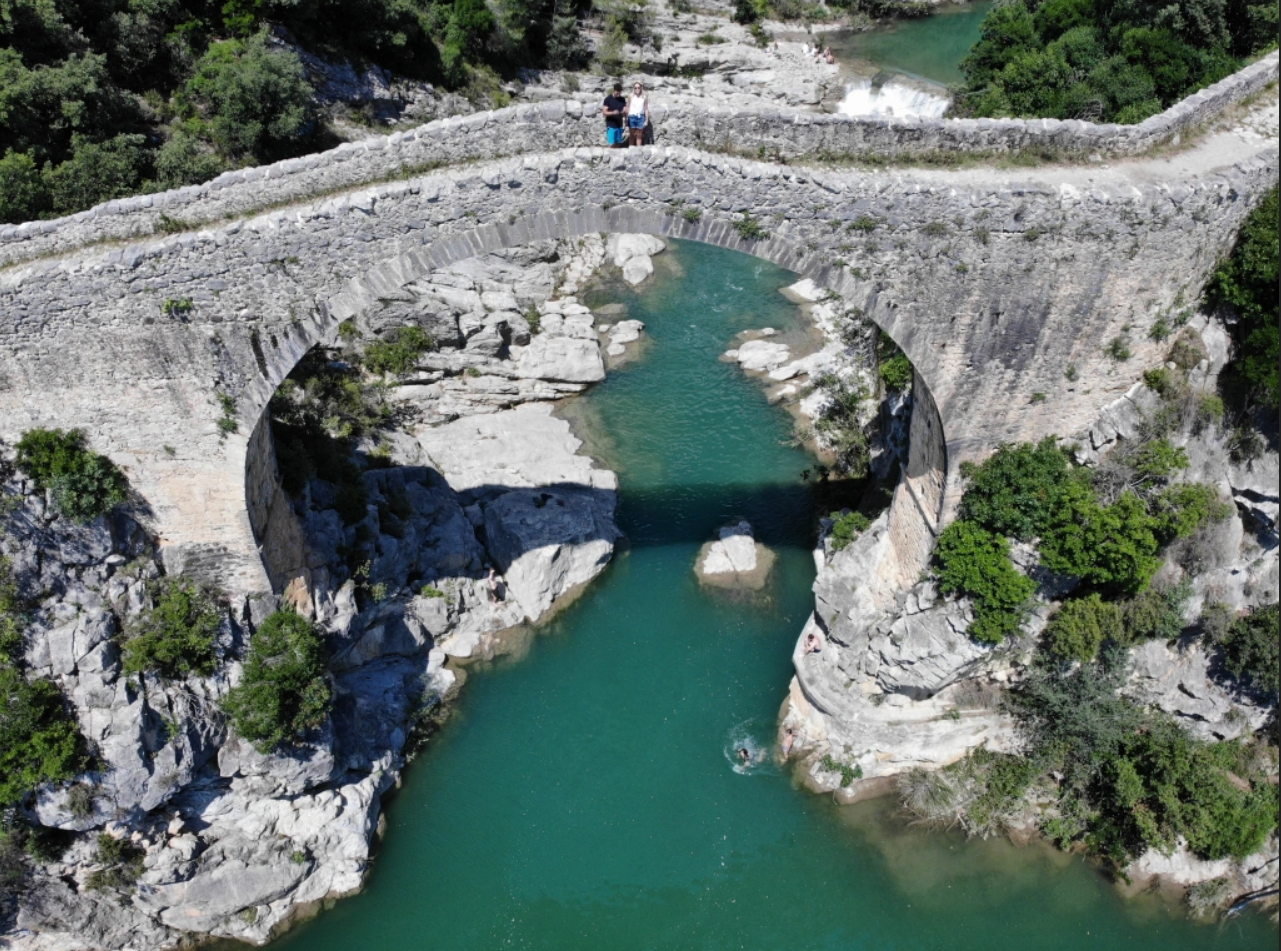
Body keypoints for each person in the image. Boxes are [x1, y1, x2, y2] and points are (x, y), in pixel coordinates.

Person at [602, 82, 627, 148]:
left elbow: (624, 111)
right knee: (611, 144)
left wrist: (624, 112)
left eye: (620, 92)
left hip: (619, 125)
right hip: (611, 125)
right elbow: (604, 112)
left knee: (618, 143)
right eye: (617, 92)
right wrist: (613, 113)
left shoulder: (622, 99)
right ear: (614, 90)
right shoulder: (608, 99)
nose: (619, 94)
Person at [626, 82, 650, 148]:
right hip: (632, 116)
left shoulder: (644, 97)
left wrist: (647, 120)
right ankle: (631, 149)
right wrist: (626, 117)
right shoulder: (630, 96)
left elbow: (646, 108)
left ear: (641, 88)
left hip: (641, 117)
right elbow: (628, 106)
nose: (637, 89)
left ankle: (638, 150)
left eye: (638, 87)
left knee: (639, 135)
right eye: (635, 88)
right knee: (632, 135)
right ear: (633, 88)